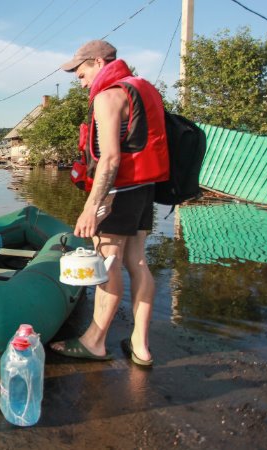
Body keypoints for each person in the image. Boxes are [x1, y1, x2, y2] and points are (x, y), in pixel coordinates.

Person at [50, 40, 169, 367]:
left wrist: (93, 205)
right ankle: (140, 347)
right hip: (146, 189)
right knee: (138, 262)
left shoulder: (108, 96)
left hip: (120, 192)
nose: (79, 78)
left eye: (81, 69)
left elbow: (111, 159)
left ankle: (95, 341)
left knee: (108, 262)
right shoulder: (143, 89)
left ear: (99, 62)